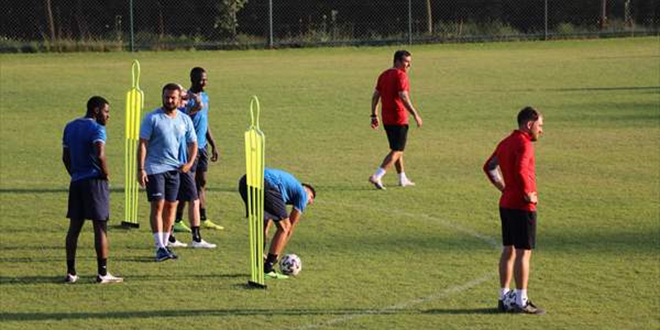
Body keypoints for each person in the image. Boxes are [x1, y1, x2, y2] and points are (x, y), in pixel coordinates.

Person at [483, 106, 545, 314]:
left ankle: (503, 297)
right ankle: (521, 300)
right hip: (521, 205)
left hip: (506, 203)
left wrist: (504, 188)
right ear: (529, 124)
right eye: (539, 125)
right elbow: (519, 170)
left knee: (508, 250)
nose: (541, 130)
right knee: (523, 253)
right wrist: (528, 193)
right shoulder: (525, 144)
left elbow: (489, 166)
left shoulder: (505, 142)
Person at [62, 96, 123, 284]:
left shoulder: (70, 126)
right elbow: (100, 154)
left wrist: (75, 173)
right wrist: (106, 174)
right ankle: (103, 273)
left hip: (77, 181)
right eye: (106, 111)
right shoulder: (97, 129)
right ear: (96, 110)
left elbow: (65, 157)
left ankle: (71, 272)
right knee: (100, 226)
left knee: (74, 228)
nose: (108, 116)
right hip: (94, 182)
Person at [138, 83, 198, 262]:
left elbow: (193, 143)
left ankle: (165, 245)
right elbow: (143, 144)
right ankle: (159, 246)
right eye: (166, 97)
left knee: (171, 206)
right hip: (155, 168)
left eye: (173, 97)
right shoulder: (152, 118)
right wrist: (141, 169)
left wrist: (189, 163)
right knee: (158, 204)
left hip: (175, 169)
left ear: (180, 99)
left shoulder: (184, 119)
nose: (169, 100)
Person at [238, 168, 316, 279]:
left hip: (245, 181)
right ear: (311, 196)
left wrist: (261, 252)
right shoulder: (303, 194)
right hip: (265, 184)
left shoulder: (284, 190)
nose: (309, 203)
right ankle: (267, 269)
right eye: (310, 200)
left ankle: (259, 262)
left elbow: (265, 226)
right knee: (285, 227)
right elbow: (289, 229)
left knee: (263, 224)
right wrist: (276, 255)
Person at [173, 67, 223, 233]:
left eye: (206, 79)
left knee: (201, 183)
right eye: (201, 79)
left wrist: (213, 144)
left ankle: (203, 218)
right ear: (192, 79)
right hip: (190, 148)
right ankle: (177, 220)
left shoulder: (205, 97)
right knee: (188, 186)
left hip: (203, 147)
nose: (205, 82)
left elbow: (204, 121)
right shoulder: (186, 99)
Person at [167, 86, 216, 249]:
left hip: (182, 162)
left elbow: (199, 108)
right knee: (185, 200)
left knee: (177, 200)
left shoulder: (180, 115)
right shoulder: (180, 115)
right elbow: (198, 106)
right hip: (180, 163)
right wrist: (192, 96)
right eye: (181, 97)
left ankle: (173, 236)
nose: (184, 99)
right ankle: (193, 238)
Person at [368, 50, 423, 190]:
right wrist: (415, 114)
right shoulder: (401, 76)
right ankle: (377, 175)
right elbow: (403, 96)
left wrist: (374, 115)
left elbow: (375, 96)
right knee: (397, 150)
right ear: (397, 61)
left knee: (397, 149)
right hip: (399, 118)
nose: (409, 65)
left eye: (410, 62)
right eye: (406, 62)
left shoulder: (384, 75)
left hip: (386, 119)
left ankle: (402, 178)